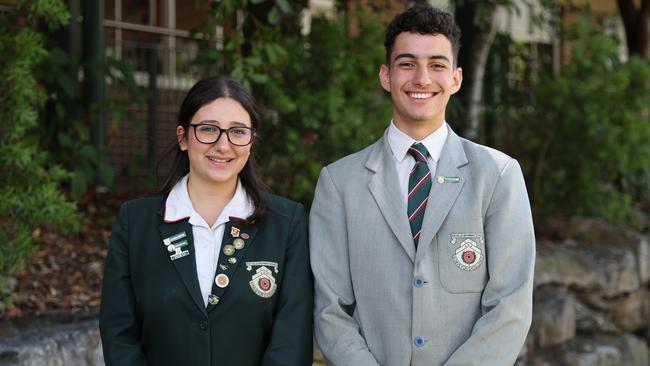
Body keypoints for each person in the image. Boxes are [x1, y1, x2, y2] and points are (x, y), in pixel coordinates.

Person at [310, 4, 535, 366]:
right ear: (386, 76)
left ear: (456, 79)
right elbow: (329, 310)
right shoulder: (339, 183)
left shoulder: (498, 176)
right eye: (407, 63)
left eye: (437, 65)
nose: (422, 78)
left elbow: (510, 305)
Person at [99, 76, 313, 366]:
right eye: (209, 130)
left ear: (251, 142)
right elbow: (118, 331)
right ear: (183, 137)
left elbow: (292, 335)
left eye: (238, 132)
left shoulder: (286, 224)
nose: (223, 145)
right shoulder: (135, 222)